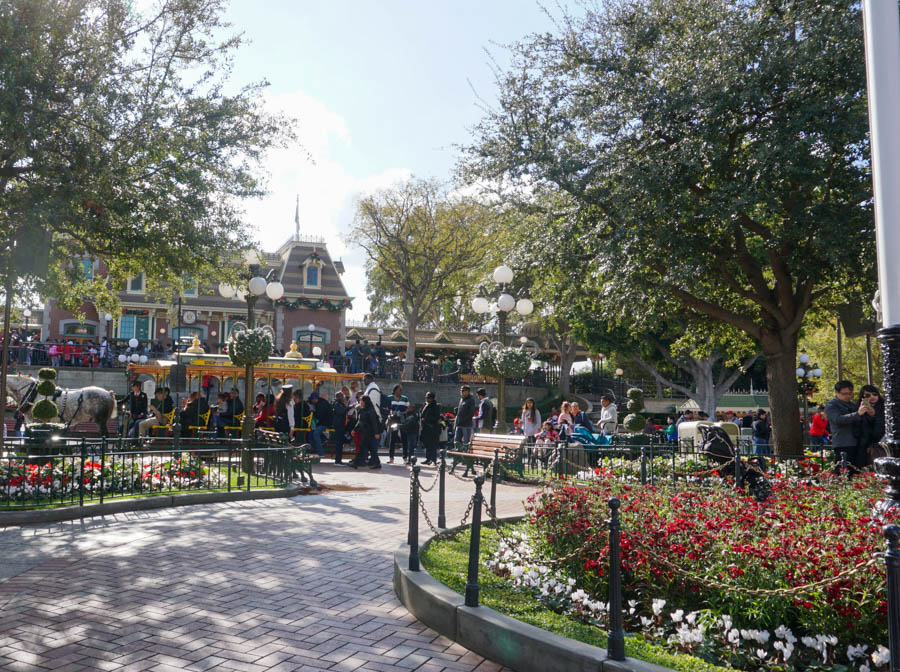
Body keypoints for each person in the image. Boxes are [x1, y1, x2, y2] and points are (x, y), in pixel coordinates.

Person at [825, 380, 869, 472]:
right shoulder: (831, 405)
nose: (848, 396)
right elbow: (838, 420)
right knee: (843, 472)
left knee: (856, 471)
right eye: (844, 394)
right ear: (836, 392)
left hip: (857, 442)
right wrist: (857, 414)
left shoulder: (853, 404)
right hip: (843, 443)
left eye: (850, 393)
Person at [350, 395, 381, 469]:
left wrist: (376, 433)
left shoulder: (371, 411)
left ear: (364, 402)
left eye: (361, 401)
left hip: (370, 433)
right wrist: (354, 429)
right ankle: (358, 462)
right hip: (364, 432)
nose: (360, 402)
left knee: (367, 448)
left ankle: (356, 463)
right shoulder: (362, 410)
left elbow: (374, 423)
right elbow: (359, 421)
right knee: (367, 448)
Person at [860, 384, 886, 464]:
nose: (872, 397)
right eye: (868, 395)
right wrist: (860, 414)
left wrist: (874, 415)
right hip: (865, 444)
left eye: (875, 394)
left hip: (882, 443)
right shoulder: (859, 409)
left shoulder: (884, 406)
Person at [387, 384, 410, 464]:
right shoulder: (389, 398)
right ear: (395, 390)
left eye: (401, 390)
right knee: (393, 437)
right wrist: (389, 414)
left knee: (404, 438)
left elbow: (408, 408)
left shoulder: (405, 398)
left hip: (402, 419)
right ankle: (391, 457)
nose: (401, 391)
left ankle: (405, 457)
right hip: (393, 419)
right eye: (400, 390)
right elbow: (386, 408)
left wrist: (405, 413)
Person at [420, 392, 441, 465]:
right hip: (425, 428)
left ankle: (433, 459)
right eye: (426, 397)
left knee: (432, 445)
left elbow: (437, 417)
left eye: (428, 397)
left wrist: (426, 419)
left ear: (432, 398)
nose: (427, 399)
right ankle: (428, 458)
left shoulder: (435, 406)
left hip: (432, 428)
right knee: (427, 444)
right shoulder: (425, 405)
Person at [332, 391, 348, 464]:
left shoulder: (340, 404)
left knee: (340, 443)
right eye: (342, 396)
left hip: (341, 425)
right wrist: (347, 407)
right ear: (339, 397)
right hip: (338, 426)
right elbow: (340, 412)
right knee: (339, 443)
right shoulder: (337, 404)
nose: (343, 397)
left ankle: (339, 460)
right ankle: (338, 460)